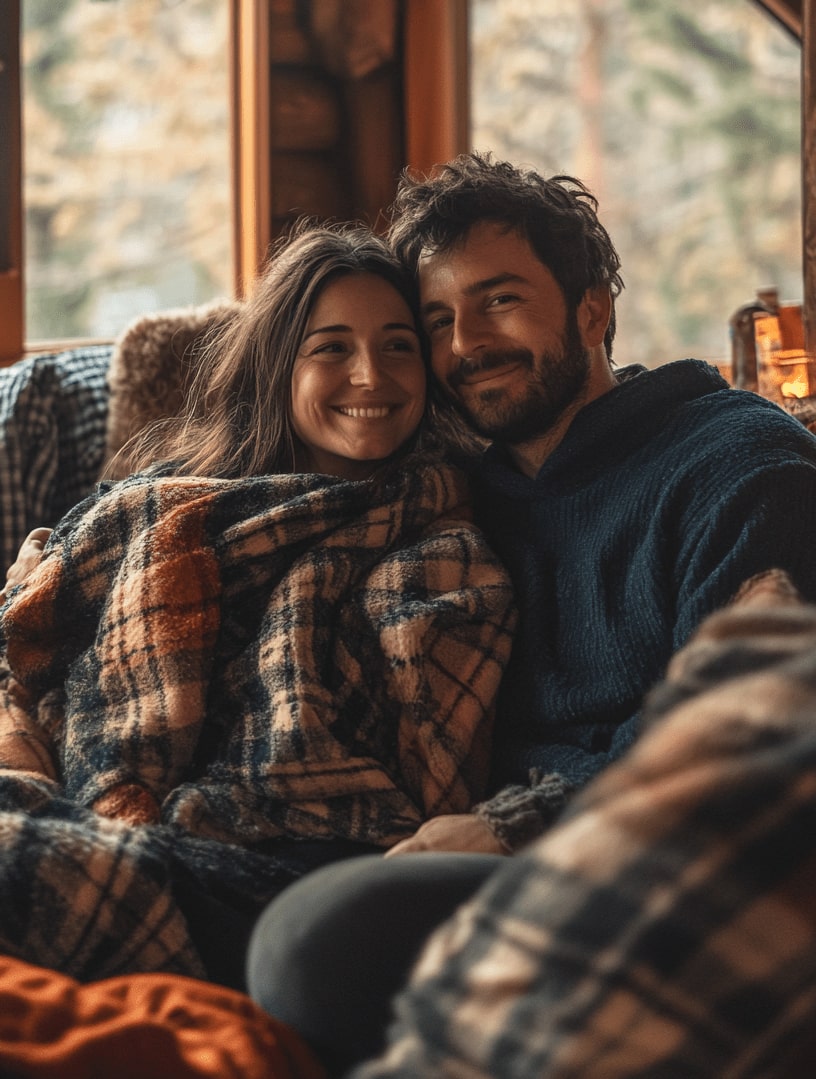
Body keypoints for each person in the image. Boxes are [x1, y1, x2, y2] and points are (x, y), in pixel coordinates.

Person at [246, 153, 816, 1071]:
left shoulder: (742, 466)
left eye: (500, 299)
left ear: (592, 309)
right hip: (431, 832)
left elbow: (740, 741)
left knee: (314, 945)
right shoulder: (454, 490)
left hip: (644, 857)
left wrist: (518, 823)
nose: (466, 343)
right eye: (437, 320)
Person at [0, 220, 515, 991]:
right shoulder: (163, 509)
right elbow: (25, 651)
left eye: (399, 344)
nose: (371, 375)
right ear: (279, 367)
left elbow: (428, 785)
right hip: (111, 819)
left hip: (295, 871)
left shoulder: (447, 552)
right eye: (332, 346)